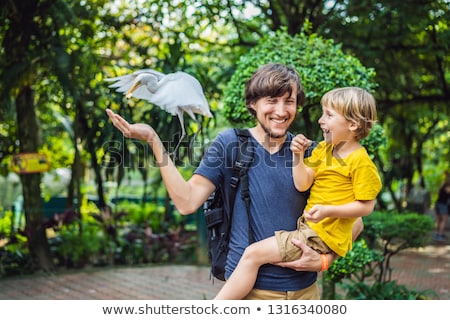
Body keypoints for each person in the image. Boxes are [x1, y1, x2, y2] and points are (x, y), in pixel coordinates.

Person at [106, 63, 363, 300]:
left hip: (305, 293)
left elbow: (356, 221)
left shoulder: (309, 152)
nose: (281, 111)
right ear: (253, 103)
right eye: (271, 101)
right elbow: (187, 202)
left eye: (290, 101)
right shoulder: (230, 145)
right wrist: (153, 140)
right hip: (250, 294)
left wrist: (324, 260)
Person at [214, 86, 381, 300]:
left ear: (353, 124)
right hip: (309, 230)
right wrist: (298, 156)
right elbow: (303, 183)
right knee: (254, 255)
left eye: (329, 115)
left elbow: (367, 207)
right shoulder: (323, 149)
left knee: (252, 254)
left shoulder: (360, 161)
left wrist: (328, 211)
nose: (321, 120)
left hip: (318, 236)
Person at [433, 172, 450, 241]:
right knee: (443, 220)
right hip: (442, 205)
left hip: (438, 203)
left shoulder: (442, 185)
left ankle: (437, 233)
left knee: (438, 220)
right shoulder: (448, 187)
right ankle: (439, 235)